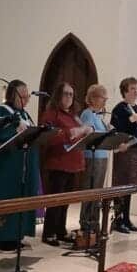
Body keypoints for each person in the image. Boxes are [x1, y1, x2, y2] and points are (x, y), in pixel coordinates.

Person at [0, 80, 40, 251]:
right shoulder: (0, 112)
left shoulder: (24, 114)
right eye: (23, 96)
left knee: (21, 198)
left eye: (27, 96)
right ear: (12, 95)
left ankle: (17, 235)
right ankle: (0, 240)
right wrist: (15, 130)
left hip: (23, 167)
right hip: (5, 168)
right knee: (5, 200)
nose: (26, 100)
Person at [40, 82, 93, 247]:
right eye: (66, 94)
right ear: (58, 95)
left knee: (66, 201)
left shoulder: (73, 115)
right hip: (58, 163)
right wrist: (73, 132)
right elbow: (49, 137)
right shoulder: (51, 114)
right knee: (56, 201)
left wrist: (87, 131)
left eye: (71, 94)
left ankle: (60, 231)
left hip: (73, 163)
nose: (69, 97)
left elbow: (80, 133)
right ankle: (49, 233)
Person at [110, 77, 137, 233]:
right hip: (125, 150)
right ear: (125, 90)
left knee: (130, 186)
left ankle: (126, 218)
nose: (136, 92)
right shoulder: (120, 109)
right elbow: (117, 128)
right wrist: (130, 120)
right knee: (121, 184)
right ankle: (118, 220)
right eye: (132, 88)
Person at [77, 84, 111, 241]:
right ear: (93, 98)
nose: (105, 101)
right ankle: (86, 223)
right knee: (90, 190)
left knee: (97, 192)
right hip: (92, 157)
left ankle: (94, 223)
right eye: (103, 98)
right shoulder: (87, 114)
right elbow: (88, 134)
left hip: (102, 156)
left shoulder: (98, 115)